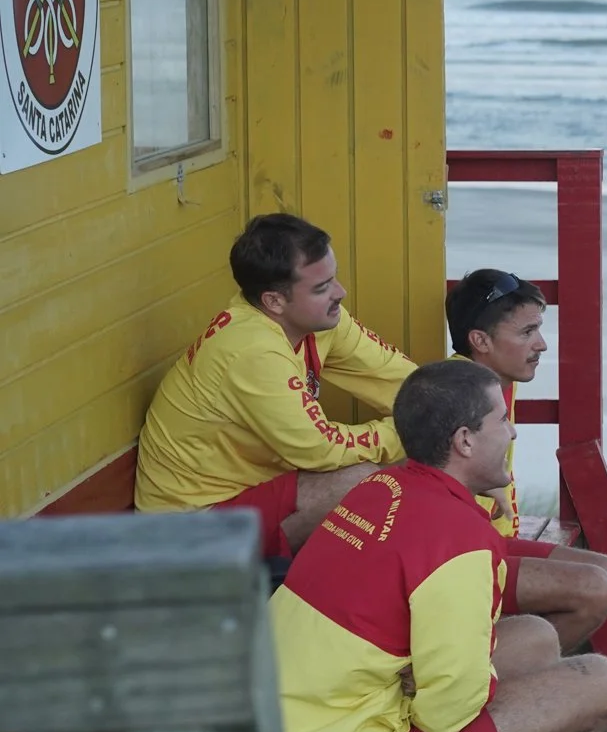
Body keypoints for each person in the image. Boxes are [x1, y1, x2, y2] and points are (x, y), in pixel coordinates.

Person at [272, 358, 607, 732]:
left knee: (533, 635)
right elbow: (448, 715)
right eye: (502, 420)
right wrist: (453, 686)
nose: (511, 432)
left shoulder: (380, 490)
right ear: (464, 440)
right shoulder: (459, 539)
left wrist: (430, 678)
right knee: (599, 685)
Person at [137, 214, 418, 558]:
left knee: (417, 456)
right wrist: (411, 431)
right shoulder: (251, 350)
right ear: (274, 301)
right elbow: (319, 449)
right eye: (321, 288)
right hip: (186, 531)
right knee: (359, 479)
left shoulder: (320, 321)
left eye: (334, 278)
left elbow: (403, 382)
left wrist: (440, 420)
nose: (340, 293)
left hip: (249, 493)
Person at [445, 268, 607, 650]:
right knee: (594, 588)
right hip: (466, 558)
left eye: (538, 330)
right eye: (527, 332)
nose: (541, 344)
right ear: (480, 340)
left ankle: (511, 668)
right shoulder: (457, 395)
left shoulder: (494, 385)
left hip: (497, 542)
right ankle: (496, 676)